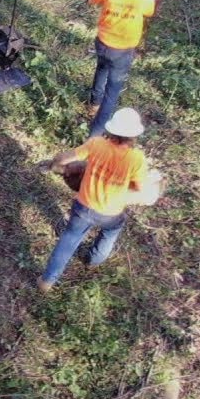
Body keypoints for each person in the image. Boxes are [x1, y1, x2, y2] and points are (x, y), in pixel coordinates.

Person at [37, 107, 148, 291]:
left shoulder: (96, 144)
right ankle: (94, 259)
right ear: (134, 136)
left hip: (84, 206)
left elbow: (65, 158)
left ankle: (47, 281)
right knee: (110, 232)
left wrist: (55, 164)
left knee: (69, 240)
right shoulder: (136, 159)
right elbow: (139, 189)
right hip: (111, 213)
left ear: (111, 129)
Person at [86, 0, 156, 138]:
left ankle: (94, 103)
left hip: (103, 42)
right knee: (113, 90)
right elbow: (148, 12)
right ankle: (95, 135)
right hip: (124, 49)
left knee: (101, 68)